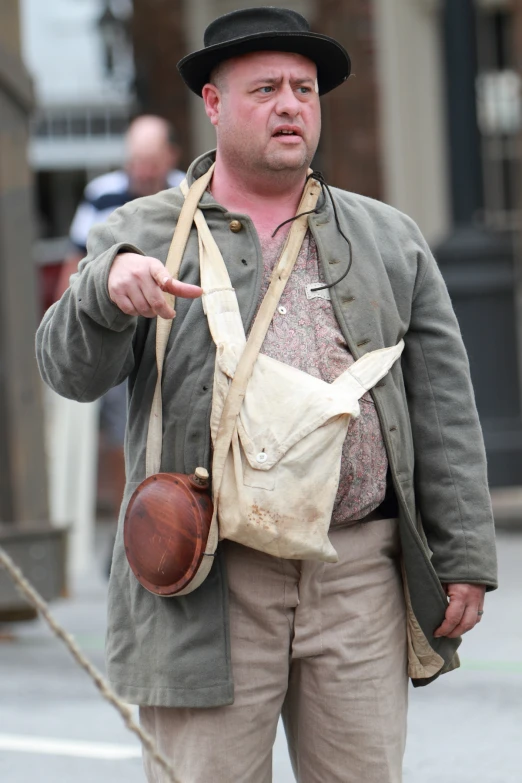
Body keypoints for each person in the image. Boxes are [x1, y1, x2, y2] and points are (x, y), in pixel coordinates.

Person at [36, 7, 498, 783]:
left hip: (358, 572)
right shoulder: (139, 232)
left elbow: (443, 404)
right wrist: (103, 291)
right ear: (213, 105)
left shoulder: (391, 238)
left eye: (304, 89)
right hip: (207, 579)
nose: (290, 105)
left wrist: (465, 556)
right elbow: (67, 371)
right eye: (266, 89)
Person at [56, 114, 184, 522]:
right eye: (136, 161)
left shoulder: (189, 191)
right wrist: (66, 326)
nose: (142, 170)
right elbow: (74, 262)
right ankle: (125, 515)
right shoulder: (102, 194)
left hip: (174, 326)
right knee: (116, 425)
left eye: (150, 160)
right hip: (116, 326)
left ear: (171, 157)